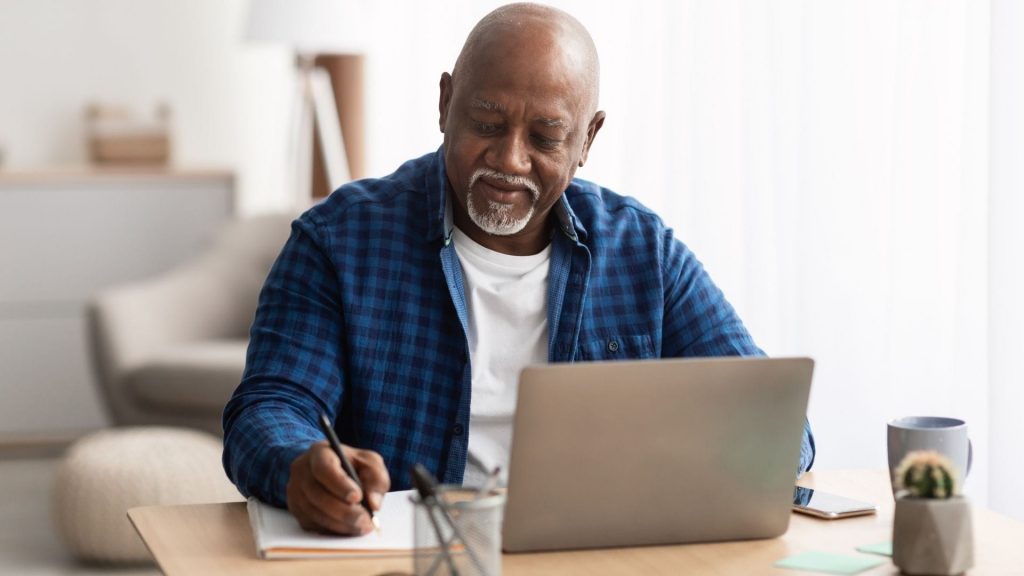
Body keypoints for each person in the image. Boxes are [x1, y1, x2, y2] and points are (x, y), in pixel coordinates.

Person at [222, 2, 815, 537]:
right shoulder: (339, 239)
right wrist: (301, 466)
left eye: (545, 136)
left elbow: (777, 427)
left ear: (588, 140)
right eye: (486, 123)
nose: (509, 159)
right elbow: (269, 408)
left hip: (591, 555)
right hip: (414, 560)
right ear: (445, 103)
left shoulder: (644, 253)